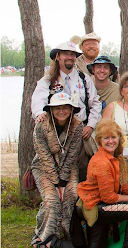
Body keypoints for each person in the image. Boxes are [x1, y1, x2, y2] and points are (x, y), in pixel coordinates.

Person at [31, 41, 101, 181]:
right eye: (66, 54)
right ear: (58, 57)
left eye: (72, 55)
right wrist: (40, 113)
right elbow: (38, 100)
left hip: (81, 130)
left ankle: (80, 199)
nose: (70, 57)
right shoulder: (48, 80)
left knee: (82, 166)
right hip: (58, 132)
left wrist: (90, 125)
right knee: (56, 166)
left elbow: (95, 103)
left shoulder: (84, 78)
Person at [77, 119, 128, 248]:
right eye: (106, 138)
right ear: (100, 141)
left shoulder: (116, 157)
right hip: (94, 204)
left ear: (119, 138)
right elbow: (108, 198)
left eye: (113, 137)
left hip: (100, 202)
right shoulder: (101, 162)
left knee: (97, 245)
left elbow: (122, 186)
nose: (110, 141)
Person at [31, 93, 83, 248]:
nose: (62, 111)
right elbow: (44, 156)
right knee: (52, 200)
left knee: (70, 195)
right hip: (43, 167)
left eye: (65, 107)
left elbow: (73, 154)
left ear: (71, 109)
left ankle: (66, 234)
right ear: (51, 110)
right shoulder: (41, 126)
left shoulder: (77, 125)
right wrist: (56, 183)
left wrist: (63, 181)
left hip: (68, 167)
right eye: (57, 108)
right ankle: (44, 237)